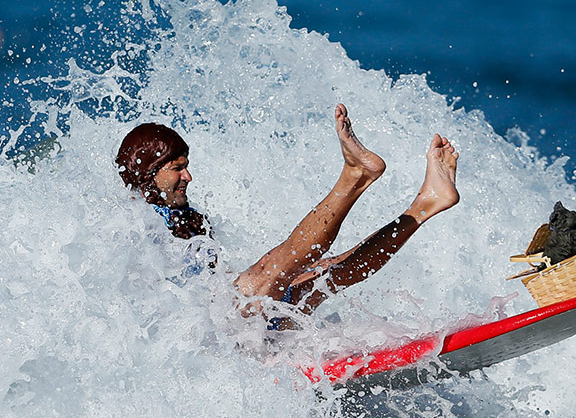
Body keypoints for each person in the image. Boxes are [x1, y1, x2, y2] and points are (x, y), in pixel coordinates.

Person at [116, 104, 459, 328]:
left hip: (235, 331)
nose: (187, 177)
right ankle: (355, 176)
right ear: (148, 172)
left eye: (187, 167)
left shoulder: (186, 218)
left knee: (327, 272)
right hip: (209, 342)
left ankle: (426, 204)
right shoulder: (131, 223)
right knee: (269, 271)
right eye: (178, 169)